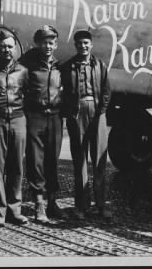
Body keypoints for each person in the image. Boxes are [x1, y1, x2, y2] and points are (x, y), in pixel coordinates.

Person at [61, 30, 112, 220]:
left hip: (97, 112)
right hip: (78, 112)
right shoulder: (68, 67)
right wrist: (70, 113)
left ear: (91, 45)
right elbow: (64, 93)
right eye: (79, 43)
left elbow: (107, 90)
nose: (83, 46)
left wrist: (101, 110)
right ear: (75, 45)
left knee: (99, 160)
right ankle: (81, 206)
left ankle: (101, 205)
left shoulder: (100, 65)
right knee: (79, 160)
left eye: (86, 43)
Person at [21, 25, 66, 223]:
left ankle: (52, 202)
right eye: (44, 42)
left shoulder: (60, 67)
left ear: (55, 44)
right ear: (37, 44)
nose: (47, 46)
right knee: (35, 161)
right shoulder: (27, 65)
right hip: (35, 117)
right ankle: (39, 204)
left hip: (55, 117)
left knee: (52, 161)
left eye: (51, 42)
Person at [0, 30, 29, 227]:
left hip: (18, 120)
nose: (7, 50)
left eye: (10, 46)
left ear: (15, 48)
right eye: (3, 46)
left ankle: (15, 210)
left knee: (17, 167)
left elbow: (29, 96)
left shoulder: (23, 71)